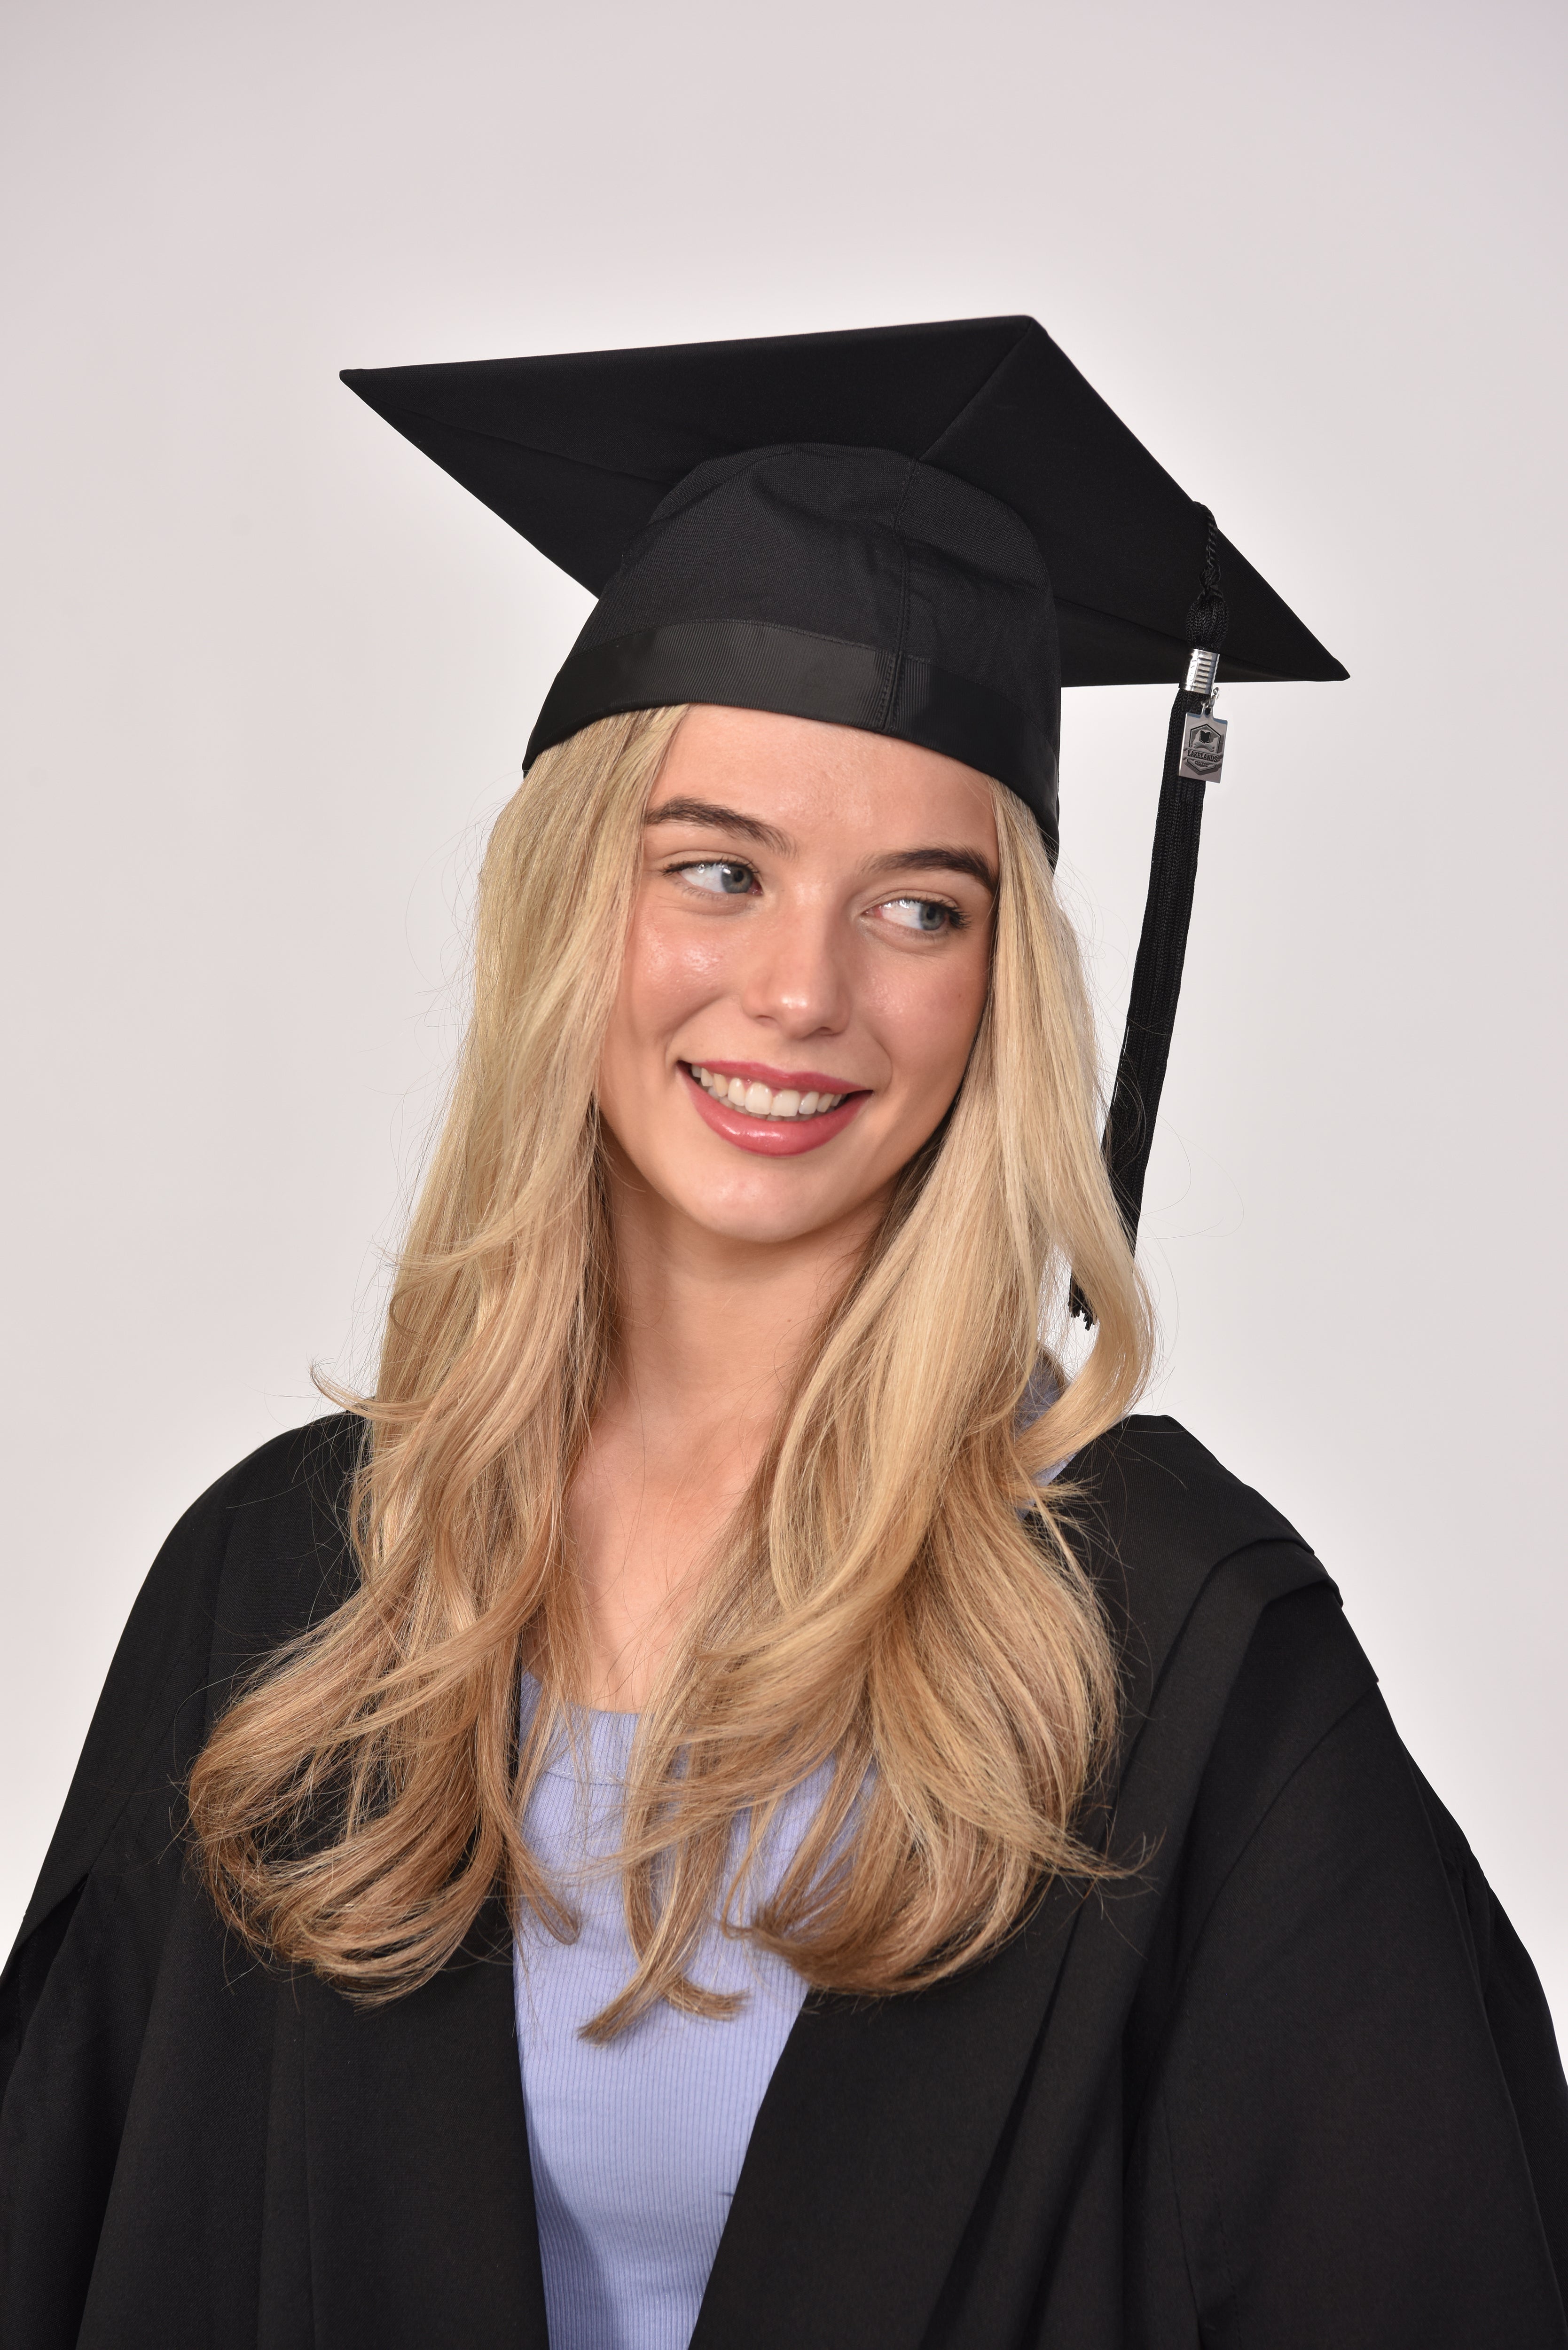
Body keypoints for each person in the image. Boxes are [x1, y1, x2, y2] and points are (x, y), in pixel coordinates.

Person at [2, 316, 1564, 2350]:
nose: (803, 989)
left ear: (1000, 988)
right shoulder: (291, 1587)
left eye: (920, 906)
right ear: (575, 908)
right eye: (718, 870)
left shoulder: (1169, 1657)